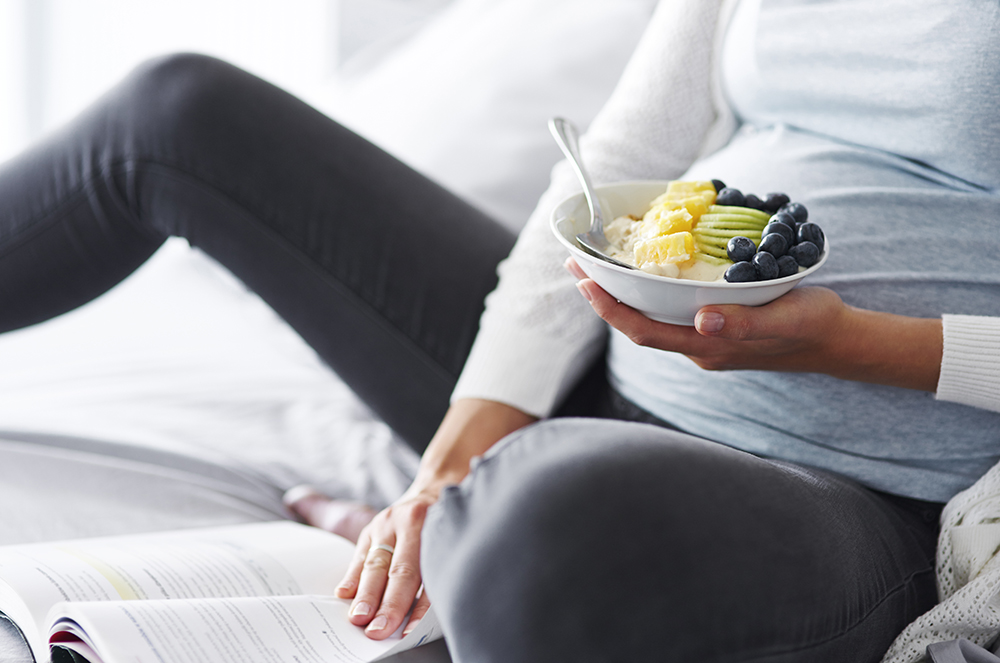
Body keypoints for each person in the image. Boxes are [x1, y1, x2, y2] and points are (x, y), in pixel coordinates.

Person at [1, 0, 998, 661]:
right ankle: (474, 516)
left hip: (867, 494)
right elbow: (610, 162)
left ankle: (491, 536)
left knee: (549, 515)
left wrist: (846, 344)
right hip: (613, 365)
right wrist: (446, 469)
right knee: (180, 114)